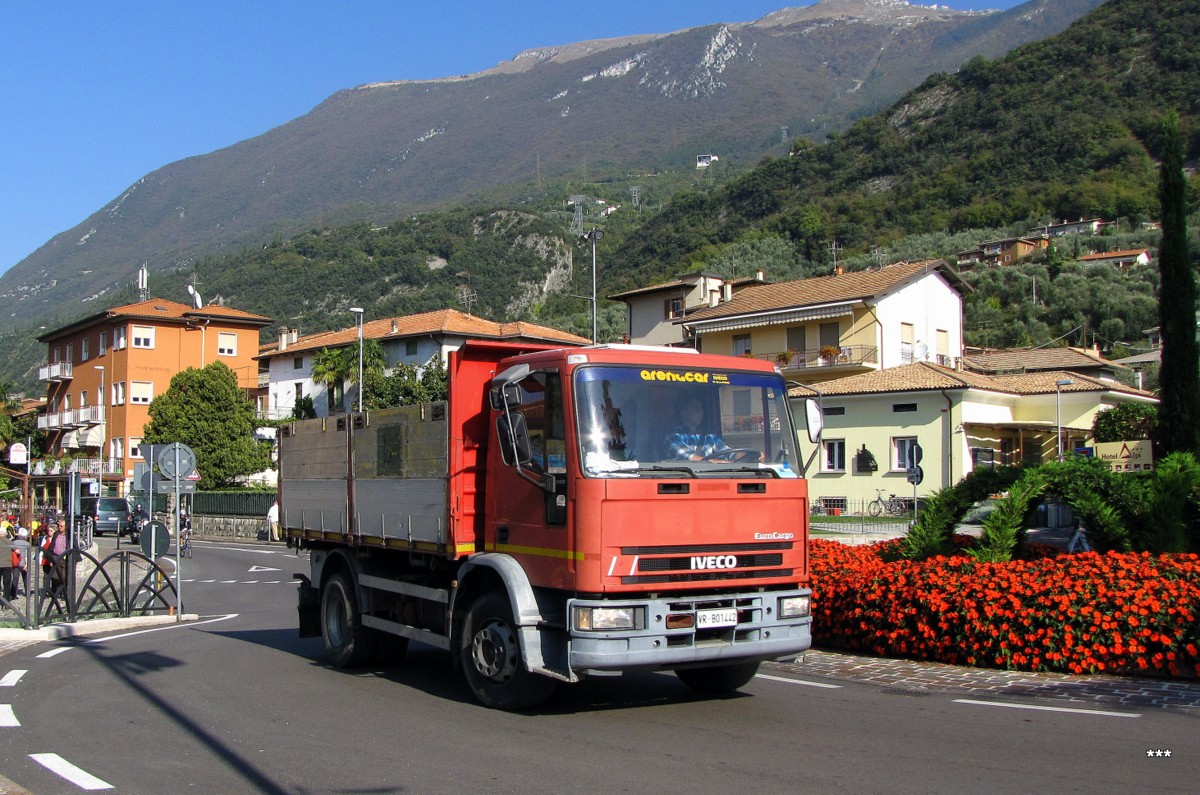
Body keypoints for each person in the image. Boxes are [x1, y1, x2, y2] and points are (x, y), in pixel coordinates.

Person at [665, 396, 732, 461]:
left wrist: (740, 455)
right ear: (684, 413)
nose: (701, 412)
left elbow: (729, 453)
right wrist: (717, 462)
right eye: (696, 408)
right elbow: (686, 458)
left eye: (701, 408)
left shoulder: (710, 437)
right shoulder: (673, 436)